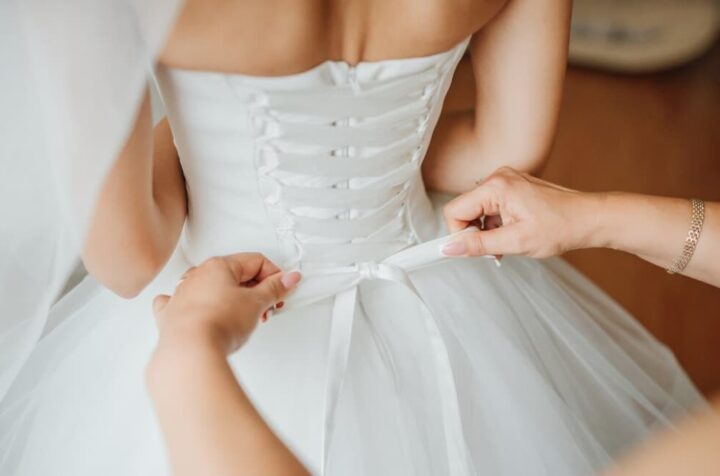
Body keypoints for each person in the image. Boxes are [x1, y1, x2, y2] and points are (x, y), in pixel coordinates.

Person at [0, 1, 706, 475]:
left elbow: (130, 257)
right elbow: (508, 145)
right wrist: (379, 169)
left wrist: (208, 151)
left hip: (223, 316)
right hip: (435, 279)